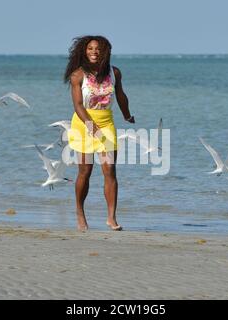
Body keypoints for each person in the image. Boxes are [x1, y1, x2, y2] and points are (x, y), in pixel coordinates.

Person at [64, 35, 134, 231]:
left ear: (106, 52)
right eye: (90, 48)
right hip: (83, 124)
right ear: (84, 52)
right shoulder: (78, 75)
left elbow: (120, 95)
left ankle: (111, 218)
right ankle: (80, 212)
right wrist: (90, 126)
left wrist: (127, 115)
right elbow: (78, 105)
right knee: (85, 171)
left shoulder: (114, 73)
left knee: (110, 170)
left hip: (106, 124)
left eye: (99, 49)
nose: (94, 52)